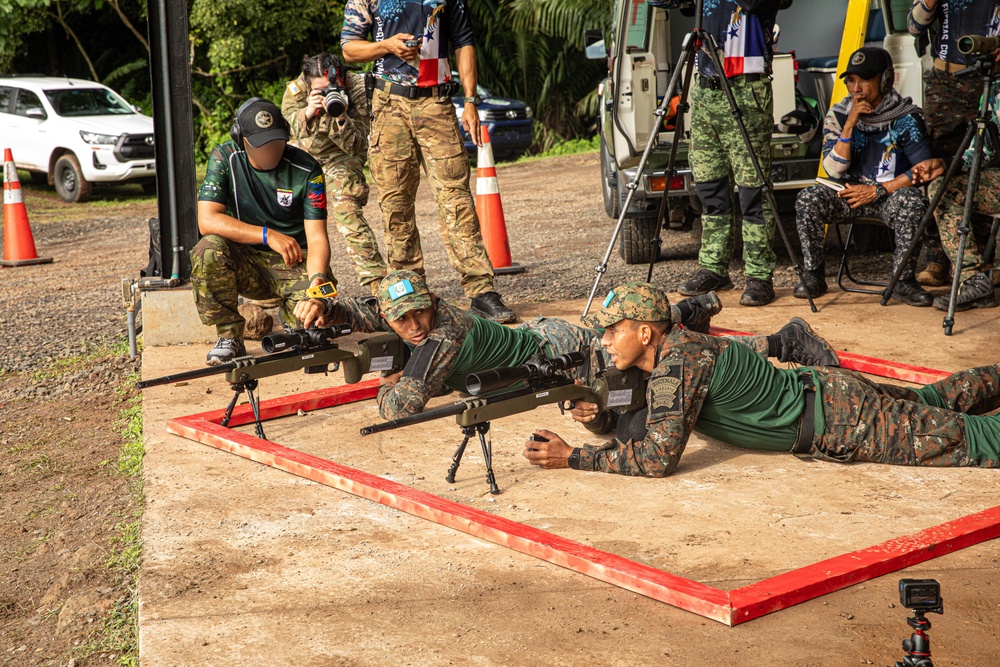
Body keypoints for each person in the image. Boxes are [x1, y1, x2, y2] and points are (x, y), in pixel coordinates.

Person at [521, 282, 1000, 476]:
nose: (604, 340)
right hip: (831, 394)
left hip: (844, 420)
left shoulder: (677, 362)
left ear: (646, 333)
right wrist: (595, 416)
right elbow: (635, 417)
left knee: (976, 439)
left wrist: (574, 457)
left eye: (613, 330)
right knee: (935, 401)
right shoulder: (667, 356)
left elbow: (655, 458)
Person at [294, 271, 840, 421]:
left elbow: (404, 403)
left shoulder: (443, 331)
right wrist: (328, 309)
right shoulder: (407, 314)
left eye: (419, 312)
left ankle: (780, 338)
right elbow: (363, 310)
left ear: (433, 305)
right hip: (540, 349)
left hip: (554, 348)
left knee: (660, 347)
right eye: (402, 318)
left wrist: (385, 383)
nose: (413, 326)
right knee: (653, 329)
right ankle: (688, 308)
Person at [339, 0, 516, 323]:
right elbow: (349, 49)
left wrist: (472, 100)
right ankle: (409, 292)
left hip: (437, 101)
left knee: (456, 199)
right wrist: (386, 46)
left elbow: (463, 42)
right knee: (396, 203)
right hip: (389, 103)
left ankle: (480, 290)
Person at [792, 47, 944, 306]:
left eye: (864, 79)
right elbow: (833, 170)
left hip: (890, 196)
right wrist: (850, 124)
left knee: (912, 202)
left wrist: (880, 190)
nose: (856, 87)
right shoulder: (839, 115)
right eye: (851, 80)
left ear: (885, 79)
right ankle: (814, 273)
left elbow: (928, 168)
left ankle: (902, 281)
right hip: (850, 194)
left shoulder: (906, 117)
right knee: (808, 198)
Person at [659, 0, 783, 307]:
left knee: (754, 191)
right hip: (704, 91)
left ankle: (758, 276)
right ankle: (714, 268)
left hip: (746, 87)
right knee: (710, 187)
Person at [191, 97, 332, 365]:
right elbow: (207, 220)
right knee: (207, 249)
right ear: (241, 139)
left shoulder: (307, 169)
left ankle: (294, 321)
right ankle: (230, 335)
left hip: (294, 262)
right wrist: (267, 235)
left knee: (314, 326)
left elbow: (317, 238)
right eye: (261, 145)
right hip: (246, 261)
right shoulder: (225, 158)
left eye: (276, 143)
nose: (270, 150)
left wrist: (316, 285)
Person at [907, 0, 1000, 287]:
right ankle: (938, 259)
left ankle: (980, 260)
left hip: (988, 77)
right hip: (945, 77)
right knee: (935, 162)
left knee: (985, 160)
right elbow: (914, 25)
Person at [281, 52, 387, 295]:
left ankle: (377, 284)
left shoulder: (358, 86)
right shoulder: (298, 89)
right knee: (283, 209)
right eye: (320, 90)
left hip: (342, 156)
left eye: (333, 88)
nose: (328, 92)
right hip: (305, 156)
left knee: (347, 211)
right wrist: (307, 112)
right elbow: (285, 129)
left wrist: (341, 117)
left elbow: (357, 145)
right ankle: (287, 285)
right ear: (309, 84)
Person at [922, 74, 1000, 312]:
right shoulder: (993, 91)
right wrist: (946, 164)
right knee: (943, 189)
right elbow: (982, 151)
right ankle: (972, 280)